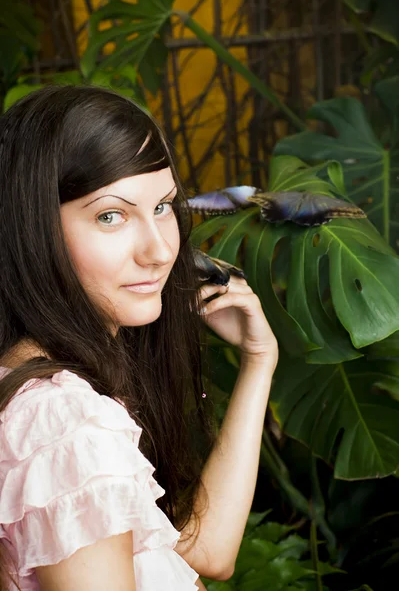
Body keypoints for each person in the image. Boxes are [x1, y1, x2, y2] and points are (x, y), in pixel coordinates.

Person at [0, 85, 278, 591]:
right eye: (111, 215)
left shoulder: (43, 387)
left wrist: (259, 360)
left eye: (164, 206)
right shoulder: (62, 420)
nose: (159, 250)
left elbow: (204, 554)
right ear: (32, 228)